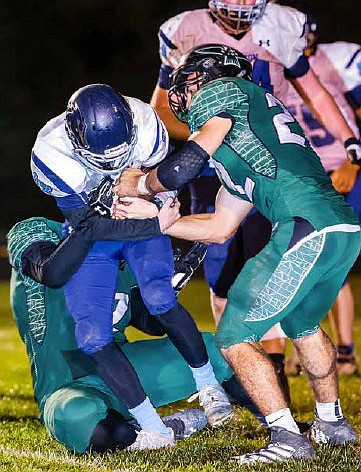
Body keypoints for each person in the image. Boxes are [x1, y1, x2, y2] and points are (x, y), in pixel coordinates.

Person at [113, 45, 361, 464]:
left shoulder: (222, 91)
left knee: (233, 334)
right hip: (341, 229)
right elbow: (219, 227)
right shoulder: (247, 137)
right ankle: (332, 424)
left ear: (211, 75)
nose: (185, 94)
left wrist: (137, 186)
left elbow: (179, 170)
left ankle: (288, 438)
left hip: (303, 225)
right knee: (301, 323)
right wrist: (163, 221)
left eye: (189, 82)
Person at [30, 84, 232, 449]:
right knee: (91, 337)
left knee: (158, 297)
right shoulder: (51, 152)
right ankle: (154, 428)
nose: (111, 162)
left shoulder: (146, 122)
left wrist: (154, 205)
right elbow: (88, 226)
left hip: (140, 217)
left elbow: (165, 187)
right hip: (100, 232)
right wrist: (155, 223)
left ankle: (208, 385)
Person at [150, 0, 361, 333]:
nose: (242, 5)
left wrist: (350, 141)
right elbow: (162, 109)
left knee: (267, 266)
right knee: (220, 273)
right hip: (210, 165)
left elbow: (315, 94)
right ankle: (232, 366)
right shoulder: (184, 29)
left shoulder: (281, 25)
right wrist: (213, 134)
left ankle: (274, 361)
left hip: (264, 160)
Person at [7, 216, 262, 453]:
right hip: (65, 384)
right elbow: (52, 272)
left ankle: (278, 422)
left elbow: (149, 323)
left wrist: (165, 291)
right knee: (83, 418)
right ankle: (151, 429)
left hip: (122, 372)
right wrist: (91, 229)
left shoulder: (130, 251)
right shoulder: (36, 230)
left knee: (217, 350)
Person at [283, 9, 361, 376]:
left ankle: (344, 351)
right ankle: (309, 347)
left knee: (335, 263)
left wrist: (354, 162)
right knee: (300, 263)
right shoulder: (272, 65)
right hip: (306, 175)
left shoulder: (339, 58)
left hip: (342, 169)